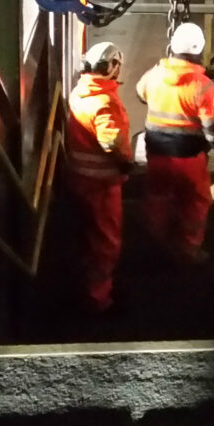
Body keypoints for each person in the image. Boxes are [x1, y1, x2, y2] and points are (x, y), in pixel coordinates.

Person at [136, 22, 214, 263]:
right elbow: (213, 132)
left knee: (158, 198)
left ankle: (156, 246)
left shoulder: (154, 75)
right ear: (199, 50)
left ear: (173, 46)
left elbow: (140, 94)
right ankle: (188, 250)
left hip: (157, 155)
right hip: (190, 160)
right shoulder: (204, 87)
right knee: (195, 203)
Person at [64, 41, 134, 314]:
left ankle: (89, 283)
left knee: (88, 234)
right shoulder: (104, 102)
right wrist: (126, 163)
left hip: (79, 178)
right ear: (112, 67)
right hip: (102, 184)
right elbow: (111, 142)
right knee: (106, 241)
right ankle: (98, 298)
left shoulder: (80, 91)